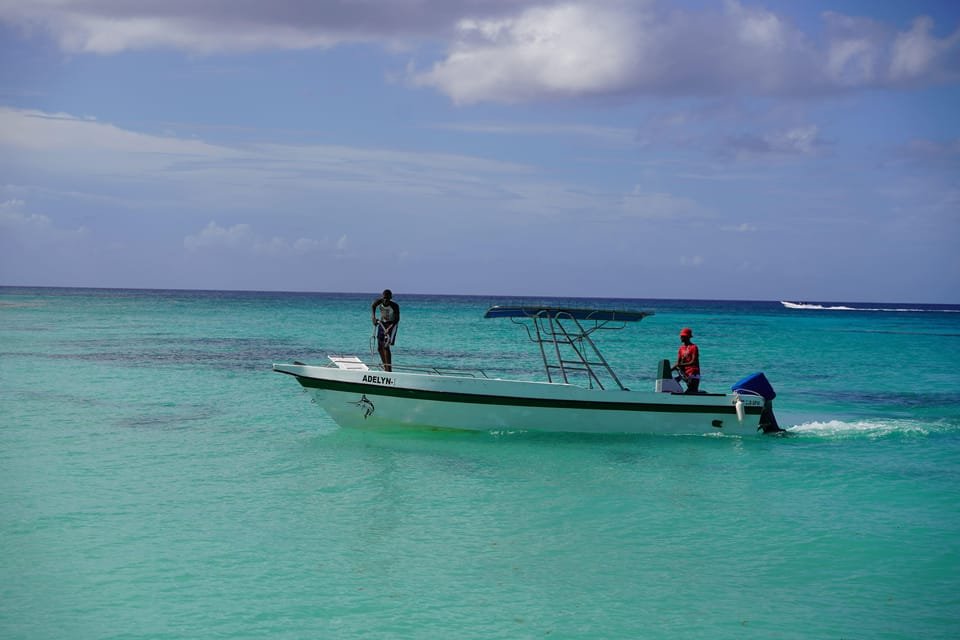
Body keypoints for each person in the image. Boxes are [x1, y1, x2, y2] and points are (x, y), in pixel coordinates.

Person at [371, 289, 400, 372]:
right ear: (382, 297)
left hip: (392, 324)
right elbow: (373, 306)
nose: (385, 300)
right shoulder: (379, 302)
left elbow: (397, 319)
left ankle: (389, 370)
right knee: (380, 347)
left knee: (386, 346)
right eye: (384, 298)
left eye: (387, 298)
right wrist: (373, 318)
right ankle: (385, 368)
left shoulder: (395, 306)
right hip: (382, 323)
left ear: (390, 298)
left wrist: (389, 328)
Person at [672, 327, 701, 393]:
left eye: (683, 336)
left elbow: (694, 361)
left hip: (693, 374)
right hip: (685, 375)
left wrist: (680, 365)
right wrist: (669, 370)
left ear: (688, 337)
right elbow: (678, 363)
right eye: (681, 336)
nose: (681, 337)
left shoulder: (694, 347)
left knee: (692, 392)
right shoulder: (681, 349)